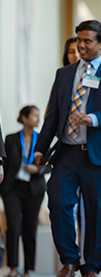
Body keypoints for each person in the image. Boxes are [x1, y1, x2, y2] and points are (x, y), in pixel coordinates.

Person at [34, 19, 101, 277]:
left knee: (98, 213)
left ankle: (92, 267)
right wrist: (40, 149)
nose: (82, 45)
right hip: (67, 152)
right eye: (79, 40)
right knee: (58, 201)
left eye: (88, 40)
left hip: (98, 154)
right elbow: (52, 115)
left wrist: (93, 118)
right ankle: (70, 260)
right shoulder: (64, 74)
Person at [1, 106, 46, 277]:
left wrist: (37, 170)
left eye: (39, 116)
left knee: (29, 228)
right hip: (12, 188)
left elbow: (49, 165)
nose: (38, 119)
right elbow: (4, 164)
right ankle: (13, 268)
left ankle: (27, 270)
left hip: (34, 189)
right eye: (35, 115)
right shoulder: (11, 138)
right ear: (24, 118)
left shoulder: (42, 139)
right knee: (13, 227)